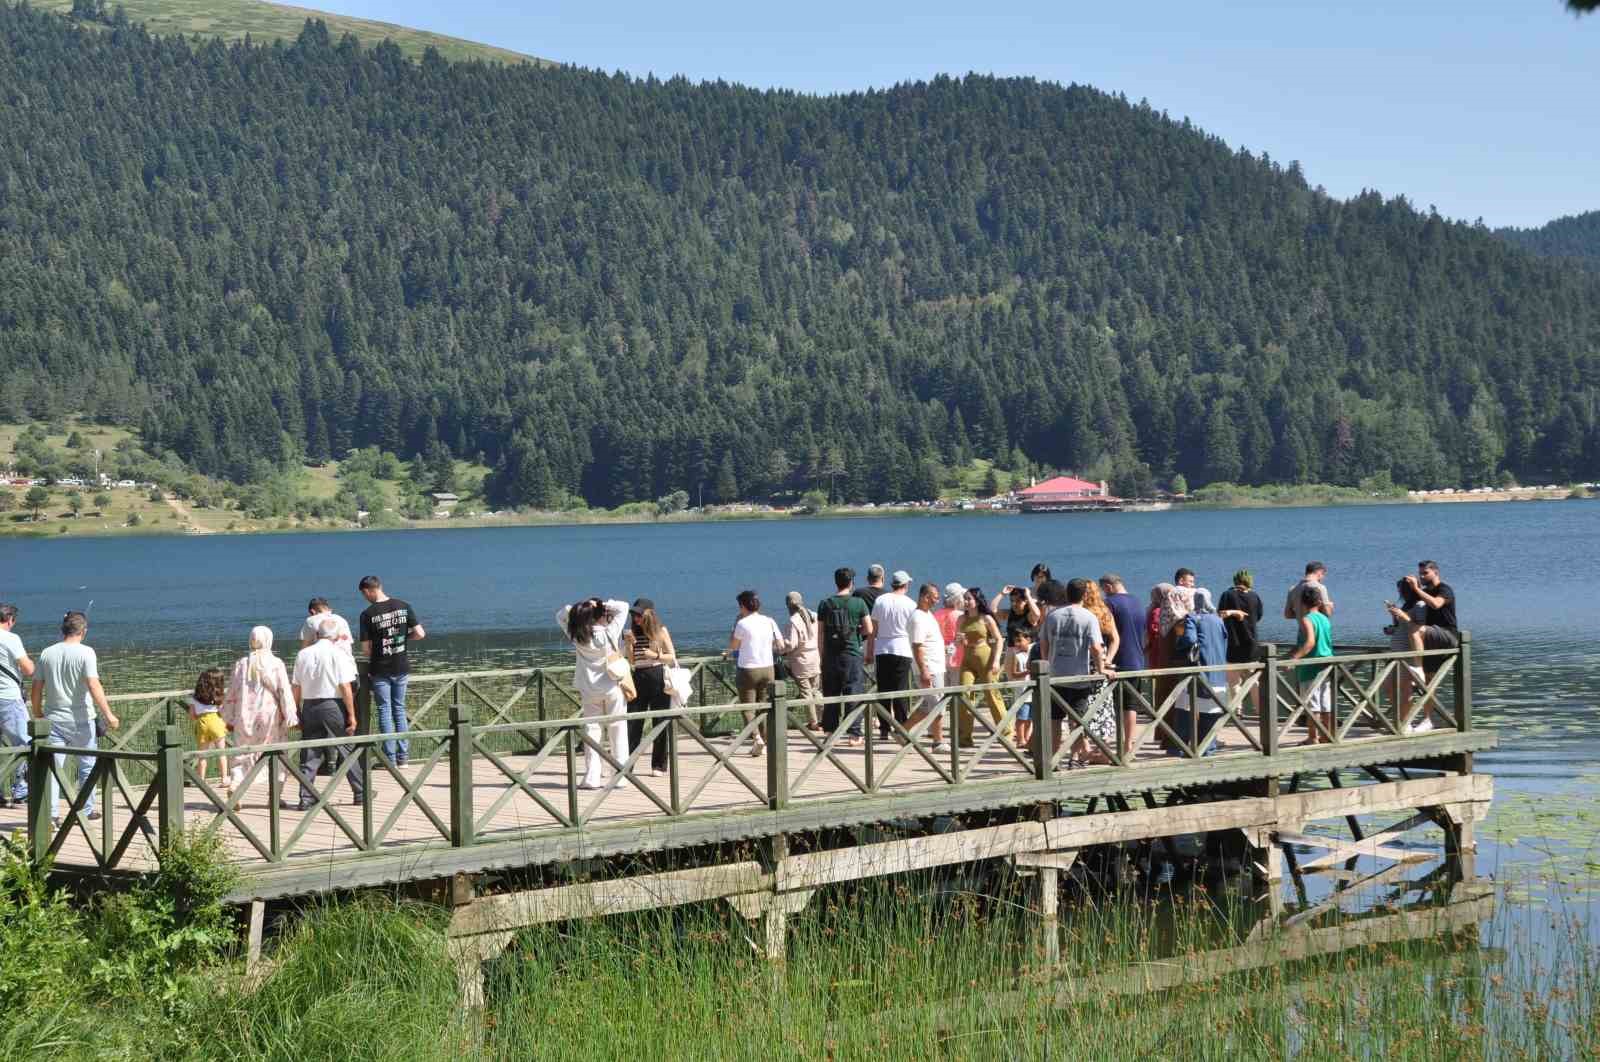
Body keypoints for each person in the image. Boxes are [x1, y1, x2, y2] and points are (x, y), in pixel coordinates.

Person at [30, 611, 119, 822]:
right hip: (82, 719)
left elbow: (36, 687)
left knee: (52, 769)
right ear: (83, 631)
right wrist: (108, 714)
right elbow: (93, 684)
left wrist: (37, 712)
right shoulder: (86, 653)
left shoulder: (47, 653)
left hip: (53, 720)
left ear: (63, 630)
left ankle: (50, 816)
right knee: (87, 766)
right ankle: (85, 811)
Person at [290, 614, 365, 808]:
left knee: (310, 753)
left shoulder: (303, 654)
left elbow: (296, 687)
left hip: (310, 705)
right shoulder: (338, 653)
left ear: (316, 634)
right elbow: (345, 687)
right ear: (337, 636)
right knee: (346, 748)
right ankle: (360, 792)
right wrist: (352, 715)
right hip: (333, 705)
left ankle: (305, 798)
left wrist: (296, 711)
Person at [557, 597, 633, 789]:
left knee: (592, 730)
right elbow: (623, 607)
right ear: (599, 615)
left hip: (588, 689)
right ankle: (621, 775)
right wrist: (602, 605)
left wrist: (581, 607)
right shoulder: (609, 632)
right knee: (618, 729)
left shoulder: (576, 634)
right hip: (612, 686)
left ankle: (592, 776)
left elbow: (561, 613)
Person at [1038, 579, 1113, 765]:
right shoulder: (1088, 617)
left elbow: (1044, 643)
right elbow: (1096, 647)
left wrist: (1047, 664)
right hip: (1079, 677)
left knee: (1054, 721)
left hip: (1055, 677)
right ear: (1084, 595)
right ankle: (1075, 757)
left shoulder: (1053, 616)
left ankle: (1053, 760)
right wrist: (1102, 668)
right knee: (1077, 722)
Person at [357, 575, 426, 767]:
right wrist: (402, 639)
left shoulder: (367, 614)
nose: (366, 598)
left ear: (368, 591)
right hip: (401, 666)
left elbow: (366, 649)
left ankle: (390, 758)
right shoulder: (404, 606)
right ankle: (403, 756)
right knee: (399, 709)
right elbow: (420, 633)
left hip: (380, 668)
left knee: (384, 711)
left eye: (364, 594)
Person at [221, 625, 296, 791]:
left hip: (244, 715)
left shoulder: (241, 664)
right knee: (277, 754)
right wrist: (290, 715)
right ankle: (275, 795)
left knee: (242, 752)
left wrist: (227, 717)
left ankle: (236, 785)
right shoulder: (276, 663)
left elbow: (232, 692)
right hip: (270, 717)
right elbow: (284, 691)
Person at [816, 568, 873, 740]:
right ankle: (854, 734)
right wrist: (858, 637)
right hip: (852, 653)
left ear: (836, 582)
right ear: (851, 583)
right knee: (853, 692)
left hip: (830, 656)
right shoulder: (859, 603)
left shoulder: (825, 604)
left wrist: (822, 655)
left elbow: (819, 634)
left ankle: (829, 731)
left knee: (831, 693)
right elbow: (869, 629)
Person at [725, 590, 784, 757]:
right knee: (764, 706)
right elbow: (780, 643)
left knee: (748, 707)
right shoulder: (769, 621)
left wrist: (730, 649)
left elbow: (734, 646)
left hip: (748, 669)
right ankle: (764, 743)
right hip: (768, 668)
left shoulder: (742, 623)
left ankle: (756, 738)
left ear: (743, 606)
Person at [1172, 588, 1229, 756]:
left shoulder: (1192, 617)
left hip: (1199, 669)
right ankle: (1208, 748)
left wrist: (1179, 643)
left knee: (1184, 707)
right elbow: (1225, 639)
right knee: (1211, 711)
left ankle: (1181, 747)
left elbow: (1190, 639)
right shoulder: (1218, 619)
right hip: (1217, 670)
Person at [624, 598, 677, 776]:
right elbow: (631, 661)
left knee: (660, 721)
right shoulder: (632, 632)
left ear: (649, 614)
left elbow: (671, 656)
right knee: (633, 722)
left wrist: (654, 655)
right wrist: (629, 644)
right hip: (638, 676)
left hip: (657, 675)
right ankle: (628, 764)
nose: (636, 617)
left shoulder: (661, 631)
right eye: (634, 614)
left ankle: (658, 765)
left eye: (639, 614)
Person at [1098, 575, 1146, 758]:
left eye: (1104, 589)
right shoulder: (1137, 601)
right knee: (1130, 706)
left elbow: (1105, 632)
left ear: (1109, 586)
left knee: (1111, 707)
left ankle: (1109, 749)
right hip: (1137, 660)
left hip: (1116, 662)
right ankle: (1128, 746)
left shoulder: (1109, 603)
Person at [867, 571, 918, 740]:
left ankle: (884, 728)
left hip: (882, 648)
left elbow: (873, 630)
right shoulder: (910, 604)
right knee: (901, 690)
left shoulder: (880, 601)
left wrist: (869, 650)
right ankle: (902, 726)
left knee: (884, 690)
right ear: (906, 585)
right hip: (903, 648)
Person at [956, 586, 1008, 746]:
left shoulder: (986, 618)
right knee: (964, 695)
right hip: (968, 658)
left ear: (977, 601)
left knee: (991, 693)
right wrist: (959, 641)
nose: (965, 602)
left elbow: (999, 639)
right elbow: (959, 642)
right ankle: (964, 737)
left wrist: (996, 660)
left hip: (985, 656)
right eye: (964, 598)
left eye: (968, 598)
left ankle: (1005, 730)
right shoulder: (961, 619)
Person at [906, 582, 949, 751]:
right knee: (938, 705)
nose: (937, 601)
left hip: (935, 666)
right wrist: (924, 670)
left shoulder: (927, 615)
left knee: (928, 705)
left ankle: (903, 730)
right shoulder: (918, 618)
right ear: (925, 597)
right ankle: (938, 741)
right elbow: (917, 645)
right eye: (935, 598)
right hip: (929, 668)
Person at [1289, 585, 1334, 745]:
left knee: (1312, 704)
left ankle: (1312, 737)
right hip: (1326, 663)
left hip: (1310, 666)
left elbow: (1309, 643)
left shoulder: (1307, 619)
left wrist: (1294, 658)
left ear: (1303, 603)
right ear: (1319, 602)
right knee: (1325, 702)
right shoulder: (1325, 619)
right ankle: (1327, 735)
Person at [0, 604, 35, 808]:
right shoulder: (11, 639)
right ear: (10, 619)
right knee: (25, 744)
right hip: (8, 699)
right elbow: (28, 669)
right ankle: (21, 791)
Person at [1384, 576, 1429, 733]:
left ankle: (1405, 724)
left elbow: (1420, 627)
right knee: (1388, 687)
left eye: (1401, 590)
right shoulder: (1407, 604)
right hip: (1397, 653)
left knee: (1405, 689)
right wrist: (1395, 617)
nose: (1400, 593)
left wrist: (1403, 616)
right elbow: (1402, 626)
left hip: (1409, 653)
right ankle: (1404, 721)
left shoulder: (1420, 604)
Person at [1217, 570, 1264, 712]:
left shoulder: (1227, 595)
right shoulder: (1255, 596)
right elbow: (1259, 616)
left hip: (1233, 644)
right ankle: (1260, 711)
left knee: (1233, 681)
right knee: (1253, 681)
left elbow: (1220, 615)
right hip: (1252, 644)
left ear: (1235, 580)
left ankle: (1237, 710)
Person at [778, 591, 822, 732]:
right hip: (815, 657)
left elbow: (791, 644)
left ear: (788, 605)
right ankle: (824, 718)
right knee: (815, 690)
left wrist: (779, 645)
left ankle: (814, 722)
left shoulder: (794, 621)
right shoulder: (814, 615)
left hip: (801, 661)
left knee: (806, 692)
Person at [189, 667, 231, 791]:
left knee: (202, 755)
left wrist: (198, 715)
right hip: (216, 722)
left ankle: (201, 780)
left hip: (202, 723)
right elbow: (224, 712)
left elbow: (192, 716)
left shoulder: (195, 698)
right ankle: (224, 778)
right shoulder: (219, 697)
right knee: (221, 752)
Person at [1006, 627, 1034, 751]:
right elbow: (1013, 673)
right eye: (1015, 641)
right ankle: (1020, 739)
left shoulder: (1033, 652)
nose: (1017, 644)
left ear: (1028, 640)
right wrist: (1026, 672)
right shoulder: (1016, 655)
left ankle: (1027, 738)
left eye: (1019, 640)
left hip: (1033, 691)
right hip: (1022, 691)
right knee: (1022, 717)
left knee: (1030, 718)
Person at [934, 582, 966, 682]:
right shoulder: (961, 616)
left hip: (940, 656)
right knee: (958, 692)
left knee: (943, 691)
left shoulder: (936, 615)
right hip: (958, 657)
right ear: (958, 599)